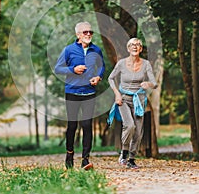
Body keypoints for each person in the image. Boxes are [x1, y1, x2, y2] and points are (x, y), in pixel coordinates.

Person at [55, 22, 105, 170]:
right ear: (78, 35)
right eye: (85, 32)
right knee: (72, 126)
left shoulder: (96, 49)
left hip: (89, 92)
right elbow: (58, 68)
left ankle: (85, 159)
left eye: (90, 32)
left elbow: (101, 66)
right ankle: (69, 154)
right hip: (72, 92)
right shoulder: (68, 50)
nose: (88, 34)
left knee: (87, 125)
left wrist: (98, 77)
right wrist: (72, 69)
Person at [108, 37, 157, 169]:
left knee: (138, 131)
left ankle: (131, 159)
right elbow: (111, 78)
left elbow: (155, 83)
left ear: (141, 49)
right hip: (123, 99)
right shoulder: (122, 63)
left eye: (138, 45)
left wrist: (148, 84)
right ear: (128, 48)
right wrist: (117, 93)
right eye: (132, 45)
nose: (135, 47)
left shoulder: (146, 64)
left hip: (139, 100)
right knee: (129, 126)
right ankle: (124, 152)